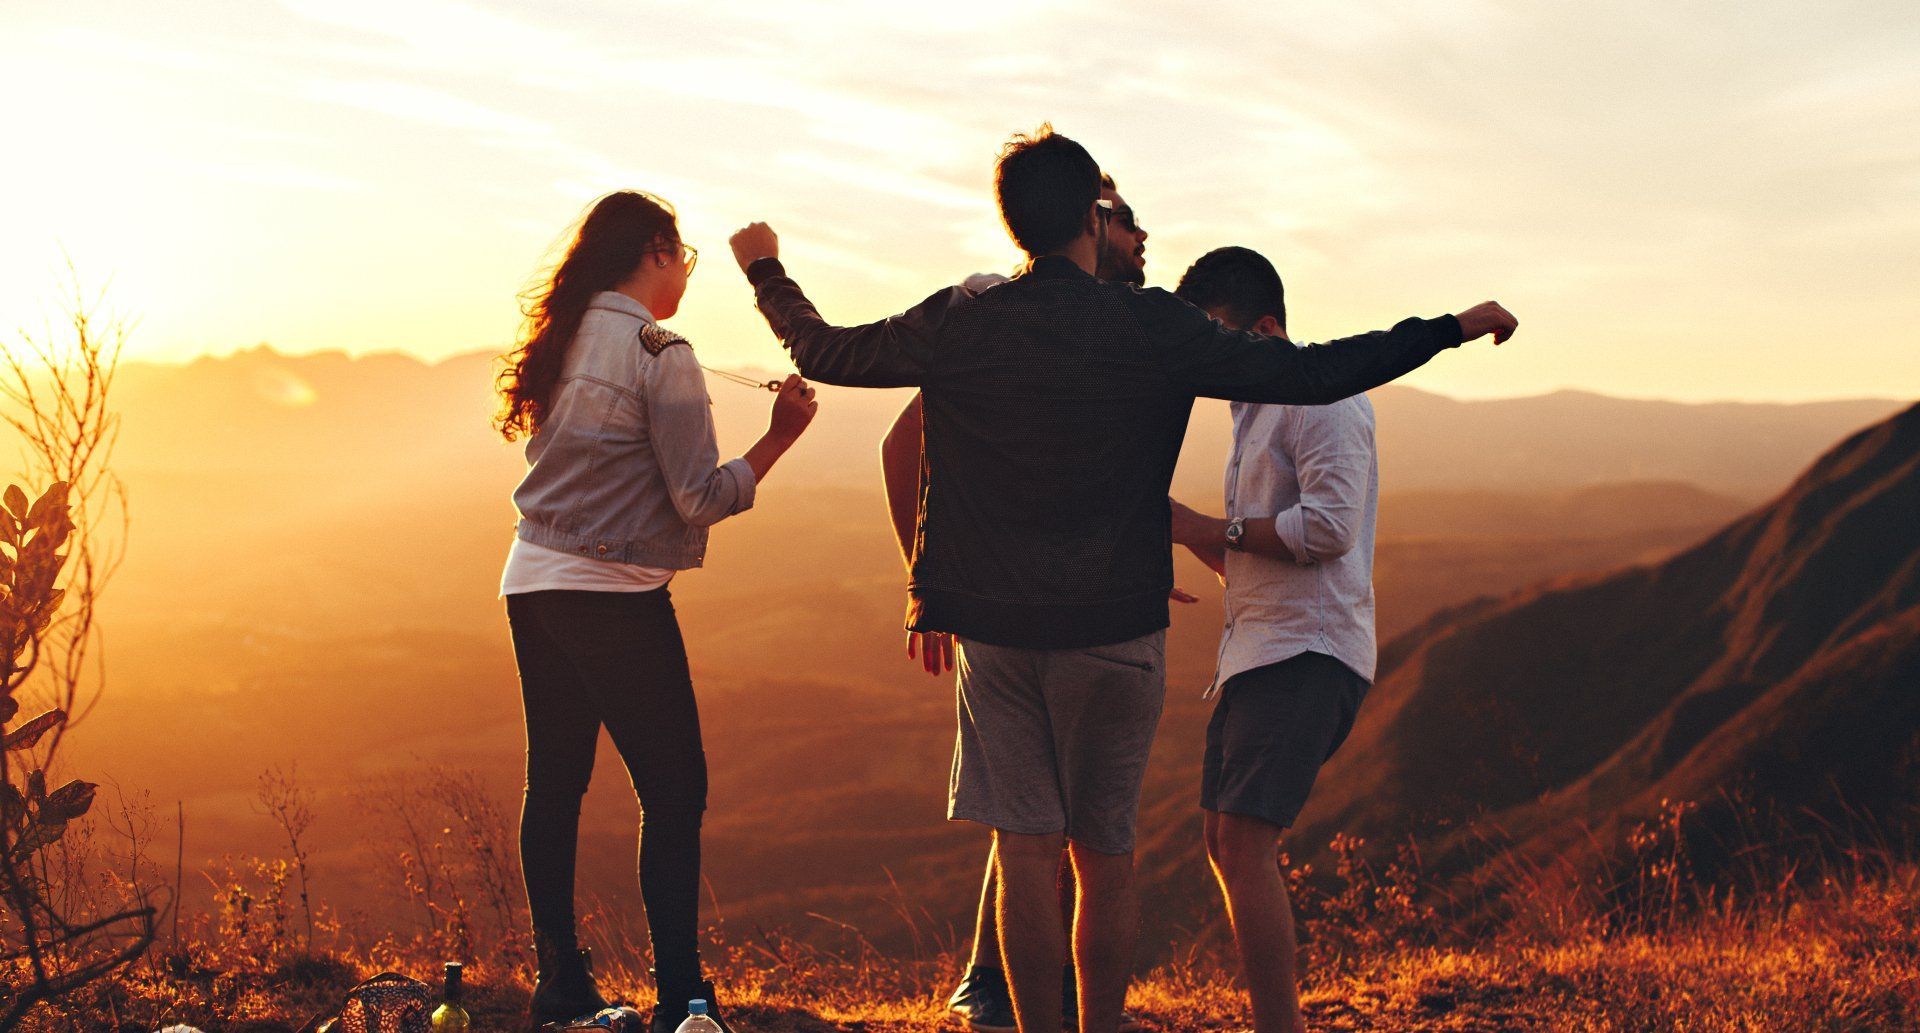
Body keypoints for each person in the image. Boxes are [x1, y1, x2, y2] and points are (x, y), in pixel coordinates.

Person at [729, 125, 1516, 1033]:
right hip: (1116, 627)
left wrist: (765, 272)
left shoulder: (966, 317)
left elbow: (826, 351)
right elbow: (1316, 370)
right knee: (1105, 856)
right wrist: (1450, 329)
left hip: (997, 628)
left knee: (1025, 847)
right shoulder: (1153, 326)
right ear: (1094, 216)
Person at [493, 190, 818, 1033]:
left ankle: (561, 977)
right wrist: (780, 435)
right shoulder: (662, 351)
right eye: (684, 259)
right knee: (674, 792)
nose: (685, 276)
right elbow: (698, 497)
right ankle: (684, 993)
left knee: (556, 782)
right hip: (615, 595)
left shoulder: (565, 337)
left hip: (530, 578)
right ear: (656, 252)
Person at [888, 175, 1155, 1033]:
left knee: (1035, 834)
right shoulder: (998, 313)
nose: (1143, 236)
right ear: (1087, 224)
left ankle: (996, 989)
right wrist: (926, 581)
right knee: (1067, 843)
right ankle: (1001, 991)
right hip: (1045, 622)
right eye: (1124, 218)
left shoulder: (1106, 332)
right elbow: (904, 444)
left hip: (1046, 615)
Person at [1167, 246, 1379, 1033]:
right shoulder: (1252, 411)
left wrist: (1201, 525)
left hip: (1309, 652)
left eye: (1219, 339)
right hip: (1259, 648)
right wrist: (1190, 536)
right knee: (1226, 839)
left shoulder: (1320, 399)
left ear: (1263, 327)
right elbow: (1257, 553)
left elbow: (1326, 528)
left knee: (1246, 838)